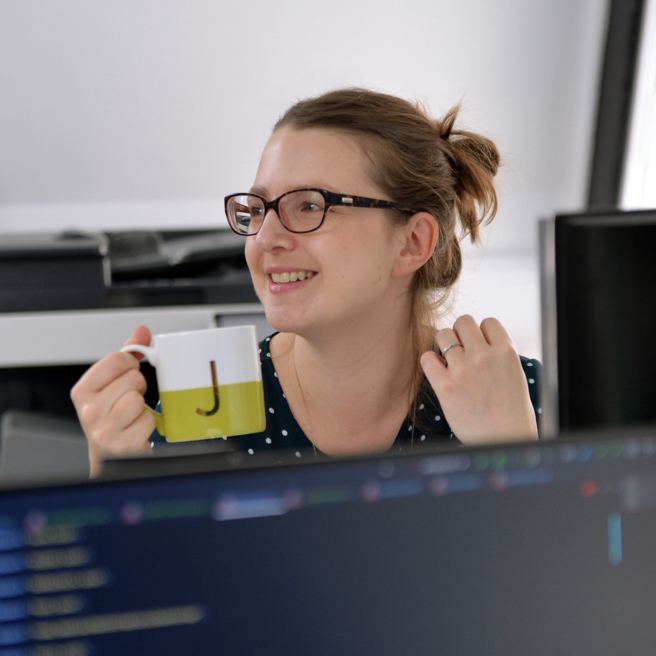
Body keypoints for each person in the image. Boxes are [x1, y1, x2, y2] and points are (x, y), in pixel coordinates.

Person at [71, 88, 540, 477]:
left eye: (311, 206)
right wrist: (109, 477)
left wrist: (515, 452)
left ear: (412, 242)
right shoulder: (205, 408)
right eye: (258, 208)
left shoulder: (520, 397)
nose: (265, 238)